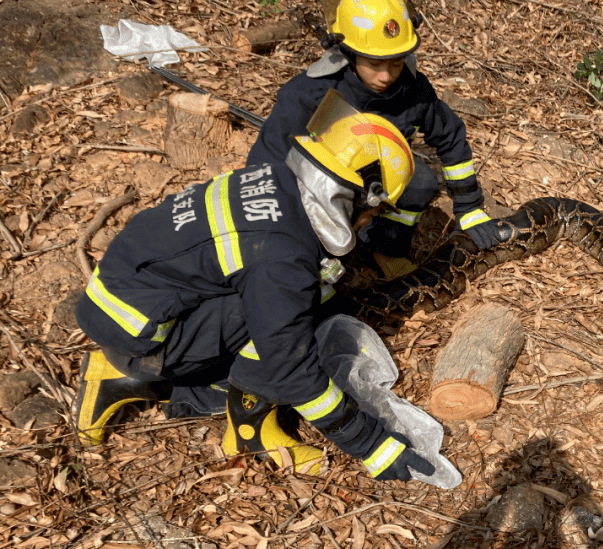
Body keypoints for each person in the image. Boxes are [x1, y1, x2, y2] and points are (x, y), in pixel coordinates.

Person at [74, 89, 436, 482]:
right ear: (354, 194)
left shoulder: (278, 178)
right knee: (292, 327)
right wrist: (373, 446)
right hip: (141, 335)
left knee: (297, 304)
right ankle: (250, 436)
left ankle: (120, 375)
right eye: (374, 211)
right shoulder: (283, 256)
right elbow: (290, 366)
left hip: (124, 306)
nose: (368, 222)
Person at [246, 0, 505, 279]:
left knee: (421, 182)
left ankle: (384, 246)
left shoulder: (414, 91)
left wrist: (469, 208)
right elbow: (265, 166)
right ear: (349, 52)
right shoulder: (309, 94)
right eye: (375, 63)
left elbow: (450, 138)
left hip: (375, 188)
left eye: (396, 62)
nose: (386, 76)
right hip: (320, 193)